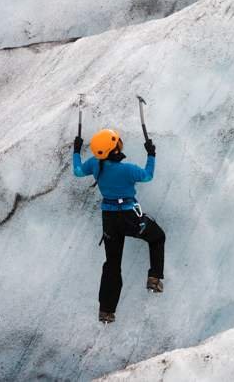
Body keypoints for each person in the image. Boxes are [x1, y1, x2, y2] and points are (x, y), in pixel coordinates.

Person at [72, 129, 166, 324]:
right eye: (117, 142)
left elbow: (78, 171)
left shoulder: (95, 165)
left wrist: (76, 151)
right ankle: (154, 279)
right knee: (157, 237)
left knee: (112, 264)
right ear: (113, 148)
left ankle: (106, 311)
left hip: (109, 219)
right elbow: (148, 176)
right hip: (129, 217)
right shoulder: (127, 169)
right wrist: (151, 154)